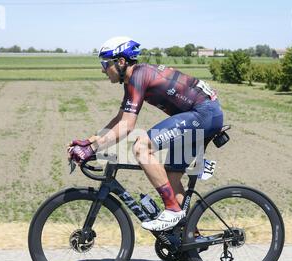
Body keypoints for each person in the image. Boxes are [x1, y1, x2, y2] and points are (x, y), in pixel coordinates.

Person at [68, 36, 223, 232]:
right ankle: (189, 237)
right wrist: (89, 141)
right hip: (201, 114)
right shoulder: (133, 79)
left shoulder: (138, 76)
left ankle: (173, 211)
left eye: (105, 64)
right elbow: (121, 118)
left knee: (141, 147)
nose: (102, 69)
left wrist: (91, 149)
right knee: (172, 178)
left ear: (121, 61)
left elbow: (127, 126)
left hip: (204, 114)